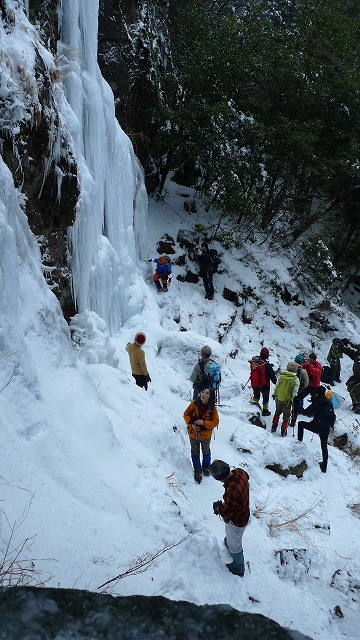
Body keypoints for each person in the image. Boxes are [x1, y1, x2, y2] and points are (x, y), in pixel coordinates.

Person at [210, 460, 250, 577]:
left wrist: (219, 508)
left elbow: (229, 514)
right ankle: (230, 542)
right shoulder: (239, 472)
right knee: (231, 536)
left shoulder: (232, 491)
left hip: (237, 522)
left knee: (235, 546)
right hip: (244, 512)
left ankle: (239, 568)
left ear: (218, 478)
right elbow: (247, 477)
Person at [183, 387, 219, 483]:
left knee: (206, 451)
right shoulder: (194, 404)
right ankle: (197, 470)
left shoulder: (212, 408)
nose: (204, 394)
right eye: (203, 392)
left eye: (207, 393)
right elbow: (186, 414)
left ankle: (206, 467)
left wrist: (203, 423)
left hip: (205, 435)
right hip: (193, 433)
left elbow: (215, 422)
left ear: (210, 396)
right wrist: (191, 424)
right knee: (195, 451)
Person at [297, 386, 336, 473]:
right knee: (324, 446)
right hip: (326, 427)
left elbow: (305, 412)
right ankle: (324, 466)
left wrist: (298, 405)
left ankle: (299, 444)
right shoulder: (329, 402)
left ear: (317, 393)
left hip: (317, 426)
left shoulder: (317, 403)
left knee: (300, 424)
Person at [271, 362, 300, 436]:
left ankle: (274, 427)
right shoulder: (295, 379)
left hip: (279, 397)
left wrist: (274, 394)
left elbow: (277, 386)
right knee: (286, 415)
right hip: (287, 400)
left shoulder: (281, 376)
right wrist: (293, 399)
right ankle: (283, 431)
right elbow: (295, 391)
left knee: (277, 412)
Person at [249, 347, 277, 416]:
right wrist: (276, 382)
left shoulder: (254, 361)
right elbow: (272, 375)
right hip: (264, 384)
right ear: (267, 355)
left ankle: (254, 406)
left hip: (255, 382)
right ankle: (265, 411)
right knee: (265, 397)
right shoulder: (267, 365)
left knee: (256, 395)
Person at [290, 354, 309, 429]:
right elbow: (306, 383)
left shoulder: (290, 367)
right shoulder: (303, 371)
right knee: (296, 407)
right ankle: (293, 421)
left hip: (289, 390)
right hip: (298, 392)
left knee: (288, 405)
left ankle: (285, 420)